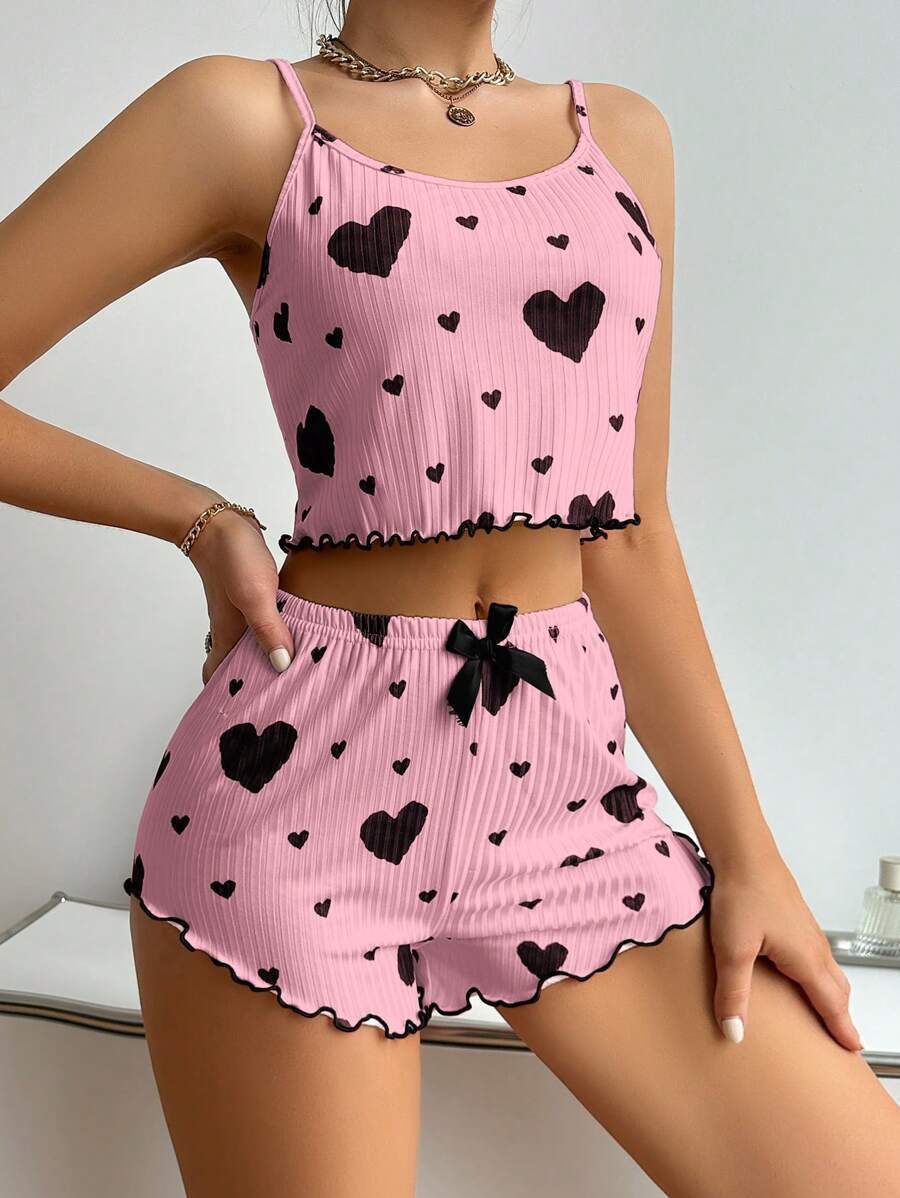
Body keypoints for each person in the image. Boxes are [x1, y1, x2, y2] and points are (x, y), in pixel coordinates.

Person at [2, 3, 899, 1196]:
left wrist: (750, 856)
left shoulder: (622, 137)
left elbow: (628, 533)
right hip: (298, 793)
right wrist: (201, 521)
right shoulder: (243, 117)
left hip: (562, 779)